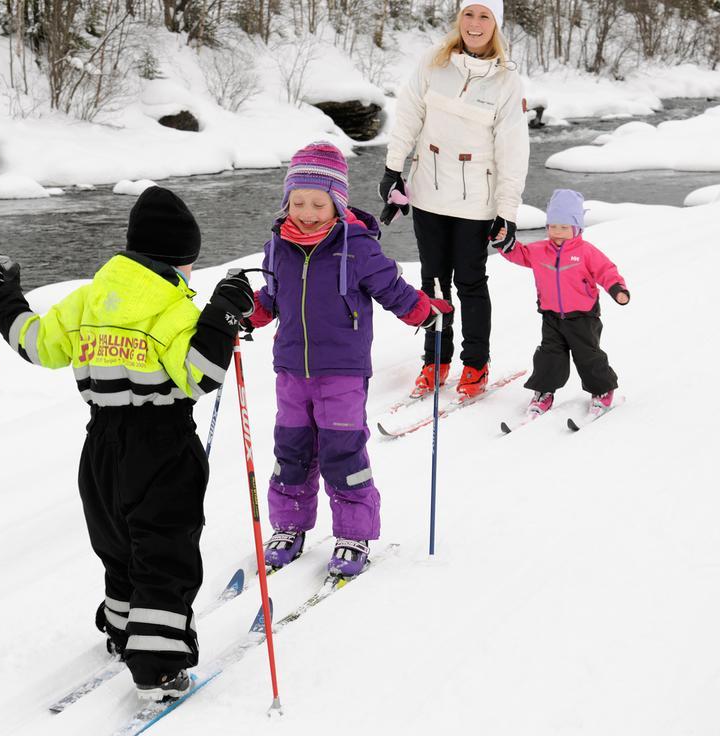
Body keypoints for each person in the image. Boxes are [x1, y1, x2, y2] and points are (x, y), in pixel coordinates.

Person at [0, 187, 254, 702]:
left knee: (119, 542)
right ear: (178, 261)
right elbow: (202, 374)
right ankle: (157, 663)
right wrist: (224, 315)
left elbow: (35, 343)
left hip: (102, 443)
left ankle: (124, 629)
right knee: (163, 547)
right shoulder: (173, 311)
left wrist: (3, 296)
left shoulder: (88, 300)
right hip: (164, 443)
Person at [244, 141, 452, 577]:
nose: (306, 211)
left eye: (318, 203)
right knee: (292, 449)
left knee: (343, 451)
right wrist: (246, 312)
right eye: (298, 202)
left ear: (337, 202)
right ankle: (289, 526)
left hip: (342, 371)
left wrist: (422, 311)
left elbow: (391, 288)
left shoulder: (356, 245)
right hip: (291, 370)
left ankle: (353, 533)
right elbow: (271, 299)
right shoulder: (277, 246)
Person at [378, 0, 530, 400]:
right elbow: (409, 114)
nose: (475, 24)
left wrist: (507, 212)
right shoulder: (434, 61)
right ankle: (435, 361)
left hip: (474, 201)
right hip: (428, 192)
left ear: (495, 24)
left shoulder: (507, 81)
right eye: (468, 14)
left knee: (469, 282)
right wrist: (393, 169)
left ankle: (476, 365)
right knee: (433, 280)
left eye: (484, 16)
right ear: (458, 18)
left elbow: (513, 150)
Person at [495, 188, 629, 415]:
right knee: (549, 356)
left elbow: (606, 270)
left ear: (576, 228)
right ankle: (543, 392)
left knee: (588, 355)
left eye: (564, 227)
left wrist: (617, 289)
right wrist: (505, 244)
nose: (557, 232)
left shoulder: (586, 252)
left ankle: (603, 390)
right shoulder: (539, 250)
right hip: (551, 315)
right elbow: (521, 255)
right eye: (552, 226)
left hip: (583, 316)